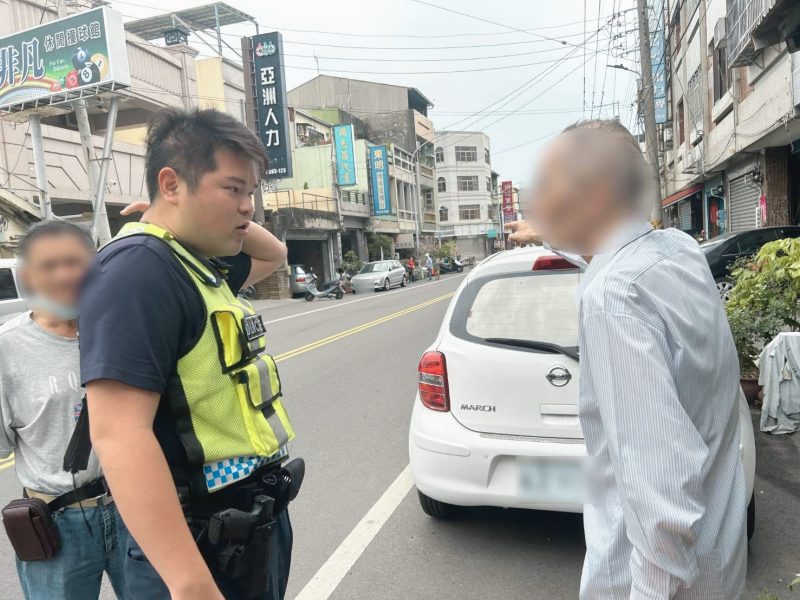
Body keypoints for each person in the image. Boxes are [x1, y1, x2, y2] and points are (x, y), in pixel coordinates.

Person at [523, 119, 747, 599]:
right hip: (718, 563)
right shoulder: (677, 251)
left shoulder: (613, 299)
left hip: (654, 585)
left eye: (549, 184)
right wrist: (543, 235)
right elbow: (606, 253)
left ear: (597, 195)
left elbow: (661, 486)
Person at [79, 108, 294, 600]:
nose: (248, 208)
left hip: (243, 526)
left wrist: (166, 216)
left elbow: (274, 255)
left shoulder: (191, 261)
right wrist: (190, 583)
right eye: (233, 189)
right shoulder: (139, 270)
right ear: (171, 183)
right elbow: (119, 433)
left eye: (252, 192)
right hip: (198, 541)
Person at [0, 221, 128, 600]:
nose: (65, 274)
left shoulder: (123, 328)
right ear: (28, 276)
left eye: (75, 262)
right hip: (56, 522)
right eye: (49, 265)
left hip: (134, 504)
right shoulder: (7, 348)